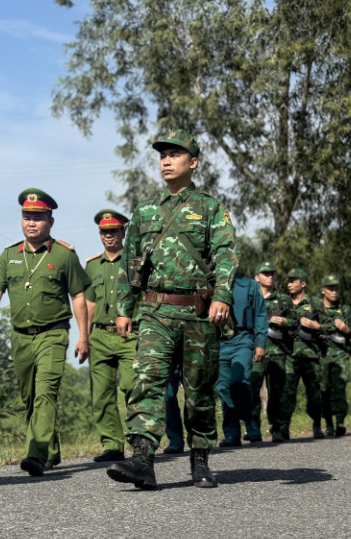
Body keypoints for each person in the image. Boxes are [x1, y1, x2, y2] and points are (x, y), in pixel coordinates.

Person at [107, 129, 238, 490]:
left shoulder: (211, 208)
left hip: (198, 312)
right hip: (155, 312)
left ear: (192, 162)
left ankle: (200, 460)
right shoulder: (146, 210)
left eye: (175, 154)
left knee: (198, 391)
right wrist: (124, 308)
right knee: (146, 381)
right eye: (162, 154)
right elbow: (130, 263)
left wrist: (223, 296)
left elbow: (226, 254)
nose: (166, 160)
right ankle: (142, 460)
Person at [0, 189, 90, 477]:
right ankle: (52, 449)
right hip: (20, 336)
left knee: (46, 393)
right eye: (26, 217)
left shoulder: (64, 255)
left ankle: (36, 454)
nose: (31, 223)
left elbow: (79, 298)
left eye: (38, 217)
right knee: (30, 396)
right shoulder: (9, 255)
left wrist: (84, 336)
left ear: (50, 220)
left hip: (53, 334)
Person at [84, 209, 137, 463]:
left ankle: (139, 439)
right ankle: (112, 445)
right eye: (104, 232)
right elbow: (89, 304)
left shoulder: (135, 261)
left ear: (123, 233)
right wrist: (84, 336)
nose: (108, 236)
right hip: (100, 336)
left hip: (130, 335)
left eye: (113, 231)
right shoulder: (92, 264)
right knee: (102, 394)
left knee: (131, 386)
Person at [216, 275, 267, 446]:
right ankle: (232, 433)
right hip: (219, 341)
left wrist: (260, 343)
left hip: (243, 339)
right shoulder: (210, 283)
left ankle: (249, 420)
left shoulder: (250, 285)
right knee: (223, 387)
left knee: (238, 382)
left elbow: (260, 313)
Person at [248, 262, 295, 443]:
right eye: (265, 274)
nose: (270, 277)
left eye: (273, 274)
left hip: (278, 352)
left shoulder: (283, 299)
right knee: (252, 392)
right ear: (256, 277)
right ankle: (253, 429)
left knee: (277, 393)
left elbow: (296, 323)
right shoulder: (251, 297)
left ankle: (278, 429)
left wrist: (285, 322)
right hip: (256, 351)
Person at [281, 268, 325, 440]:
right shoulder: (284, 303)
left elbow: (328, 327)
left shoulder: (315, 304)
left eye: (294, 281)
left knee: (314, 392)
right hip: (290, 355)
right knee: (288, 391)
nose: (289, 284)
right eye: (288, 281)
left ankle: (317, 425)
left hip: (310, 355)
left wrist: (316, 326)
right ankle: (284, 426)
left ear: (303, 283)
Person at [317, 274, 351, 437]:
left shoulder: (345, 310)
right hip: (322, 354)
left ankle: (340, 421)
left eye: (337, 288)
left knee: (339, 387)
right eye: (330, 288)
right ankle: (328, 424)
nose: (334, 292)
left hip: (340, 354)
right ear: (323, 290)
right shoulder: (316, 309)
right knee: (323, 389)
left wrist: (345, 329)